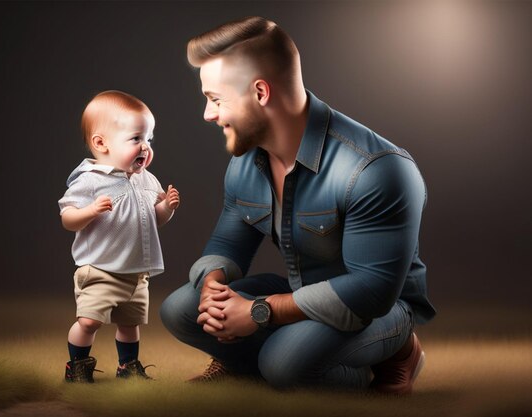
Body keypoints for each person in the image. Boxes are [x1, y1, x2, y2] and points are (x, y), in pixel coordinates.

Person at [160, 16, 435, 394]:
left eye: (215, 99)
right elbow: (227, 244)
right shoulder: (246, 161)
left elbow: (371, 290)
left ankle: (398, 353)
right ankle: (263, 360)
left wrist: (259, 311)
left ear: (260, 93)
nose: (208, 114)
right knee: (181, 309)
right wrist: (212, 288)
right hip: (298, 290)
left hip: (377, 308)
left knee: (282, 364)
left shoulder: (377, 170)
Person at [58, 90, 180, 382]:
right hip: (100, 268)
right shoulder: (90, 180)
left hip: (136, 271)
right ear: (101, 143)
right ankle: (76, 365)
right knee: (88, 321)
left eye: (149, 139)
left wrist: (166, 207)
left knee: (130, 322)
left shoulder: (147, 179)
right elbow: (67, 219)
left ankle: (128, 366)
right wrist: (90, 211)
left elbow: (154, 220)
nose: (145, 147)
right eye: (136, 138)